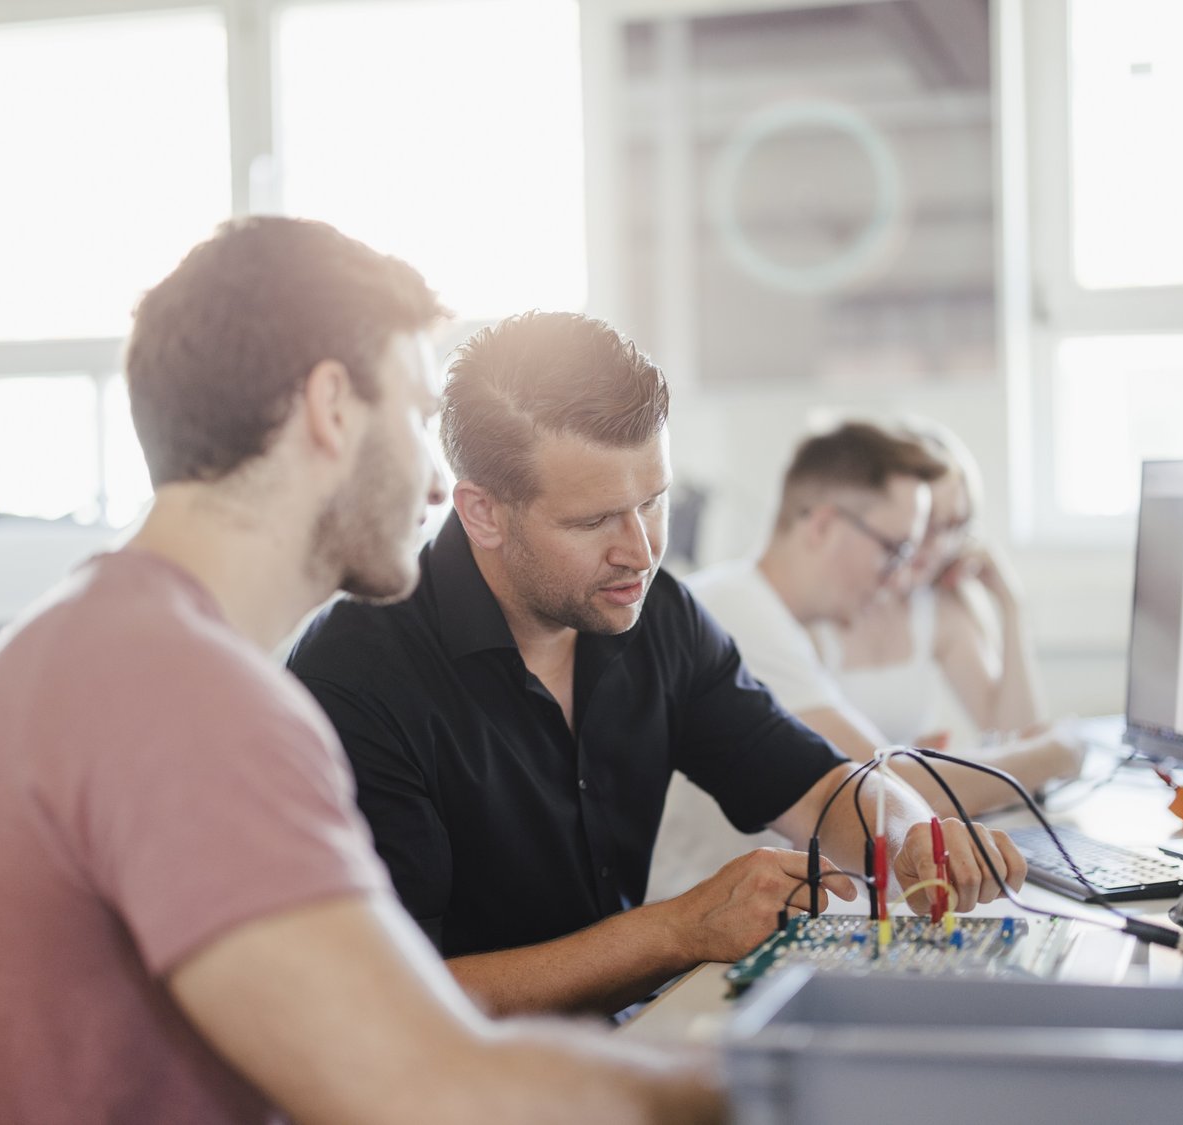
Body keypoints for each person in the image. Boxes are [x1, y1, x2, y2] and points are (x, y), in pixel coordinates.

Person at [0, 218, 726, 1124]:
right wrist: (756, 1086)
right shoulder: (183, 696)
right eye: (415, 417)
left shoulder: (99, 641)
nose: (443, 487)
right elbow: (421, 1087)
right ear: (332, 408)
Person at [288, 311, 1025, 1021]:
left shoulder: (655, 613)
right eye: (594, 519)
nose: (640, 550)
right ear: (482, 512)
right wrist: (679, 930)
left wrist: (911, 829)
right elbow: (396, 997)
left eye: (654, 501)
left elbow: (816, 784)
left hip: (618, 1037)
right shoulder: (356, 678)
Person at [688, 421, 1082, 821]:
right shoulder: (741, 614)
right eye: (894, 548)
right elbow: (887, 793)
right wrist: (1058, 752)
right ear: (823, 526)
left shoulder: (764, 607)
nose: (899, 574)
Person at [815, 419, 1049, 748]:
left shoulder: (938, 607)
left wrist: (1011, 605)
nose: (938, 545)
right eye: (927, 522)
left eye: (954, 526)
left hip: (905, 794)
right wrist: (905, 763)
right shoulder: (816, 607)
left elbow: (1018, 740)